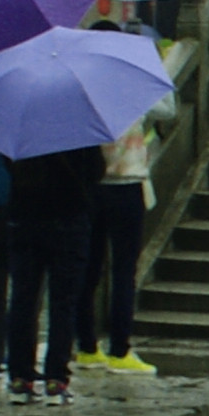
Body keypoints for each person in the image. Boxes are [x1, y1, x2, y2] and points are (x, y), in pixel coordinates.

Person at [0, 133, 99, 404]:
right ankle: (56, 379)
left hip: (23, 217)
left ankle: (19, 377)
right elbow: (96, 170)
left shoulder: (20, 129)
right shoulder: (79, 129)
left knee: (23, 299)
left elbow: (7, 164)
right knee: (63, 301)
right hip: (69, 219)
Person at [88, 37, 163, 380]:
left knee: (88, 269)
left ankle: (86, 346)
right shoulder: (136, 90)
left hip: (94, 187)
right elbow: (170, 109)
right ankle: (120, 349)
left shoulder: (87, 91)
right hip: (128, 188)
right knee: (122, 273)